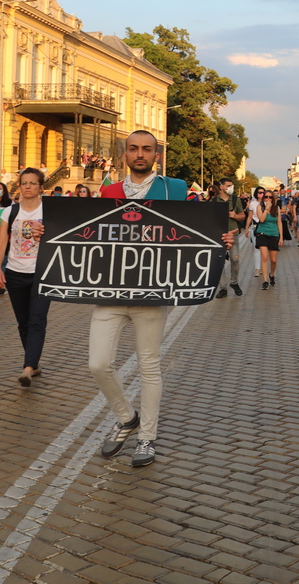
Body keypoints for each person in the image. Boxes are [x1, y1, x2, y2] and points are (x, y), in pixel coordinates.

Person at [92, 131, 190, 468]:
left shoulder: (174, 188)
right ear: (124, 155)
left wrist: (218, 236)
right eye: (133, 149)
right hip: (111, 289)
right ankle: (127, 417)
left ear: (156, 155)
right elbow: (92, 232)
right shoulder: (109, 191)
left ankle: (146, 437)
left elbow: (191, 229)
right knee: (98, 363)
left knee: (149, 366)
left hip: (152, 289)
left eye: (146, 149)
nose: (140, 154)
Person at [0, 168, 51, 387]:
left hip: (42, 272)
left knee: (37, 319)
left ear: (40, 187)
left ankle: (28, 367)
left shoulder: (49, 211)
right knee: (23, 322)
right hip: (15, 273)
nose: (27, 187)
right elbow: (1, 243)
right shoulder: (10, 212)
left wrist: (45, 232)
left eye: (32, 183)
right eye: (24, 183)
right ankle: (34, 363)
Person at [214, 178, 246, 298]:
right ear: (221, 187)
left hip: (233, 234)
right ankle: (223, 288)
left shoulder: (235, 200)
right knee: (220, 261)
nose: (230, 188)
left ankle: (234, 282)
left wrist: (235, 216)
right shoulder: (214, 201)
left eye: (231, 185)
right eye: (228, 185)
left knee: (235, 259)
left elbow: (243, 216)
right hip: (219, 235)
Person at [254, 191, 283, 289]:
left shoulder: (277, 208)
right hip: (262, 233)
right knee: (265, 257)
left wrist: (281, 237)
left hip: (273, 234)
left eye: (270, 197)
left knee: (273, 260)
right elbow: (261, 220)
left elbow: (279, 223)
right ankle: (265, 280)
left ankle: (272, 274)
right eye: (266, 197)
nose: (268, 199)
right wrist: (266, 209)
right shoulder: (260, 207)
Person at [247, 187, 265, 277]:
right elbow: (250, 217)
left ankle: (263, 267)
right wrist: (246, 228)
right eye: (259, 192)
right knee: (256, 248)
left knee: (264, 249)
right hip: (255, 227)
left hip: (265, 227)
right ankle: (257, 268)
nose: (260, 194)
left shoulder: (267, 203)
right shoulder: (252, 204)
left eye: (262, 192)